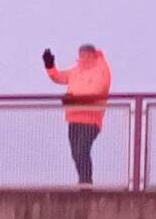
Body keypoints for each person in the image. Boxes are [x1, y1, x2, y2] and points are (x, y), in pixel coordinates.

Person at [42, 44, 112, 188]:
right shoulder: (76, 70)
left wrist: (73, 99)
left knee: (82, 150)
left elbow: (97, 90)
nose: (82, 58)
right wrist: (49, 65)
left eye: (85, 55)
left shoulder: (101, 71)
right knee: (75, 153)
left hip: (91, 118)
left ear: (92, 55)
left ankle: (86, 183)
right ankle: (83, 182)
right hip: (73, 117)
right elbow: (59, 77)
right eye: (81, 55)